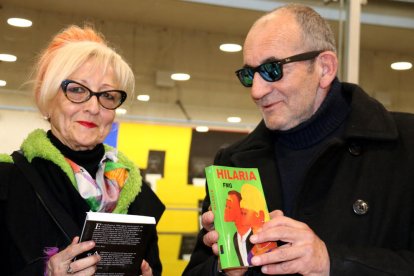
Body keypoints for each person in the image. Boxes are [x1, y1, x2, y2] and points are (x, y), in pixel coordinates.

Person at [183, 3, 414, 276]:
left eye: (272, 69)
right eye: (249, 74)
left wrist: (331, 262)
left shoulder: (405, 146)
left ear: (325, 68)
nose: (256, 91)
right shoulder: (234, 162)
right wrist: (222, 267)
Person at [0, 25, 165, 275]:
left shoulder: (135, 192)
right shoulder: (8, 182)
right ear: (46, 98)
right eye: (77, 90)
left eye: (108, 95)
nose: (93, 107)